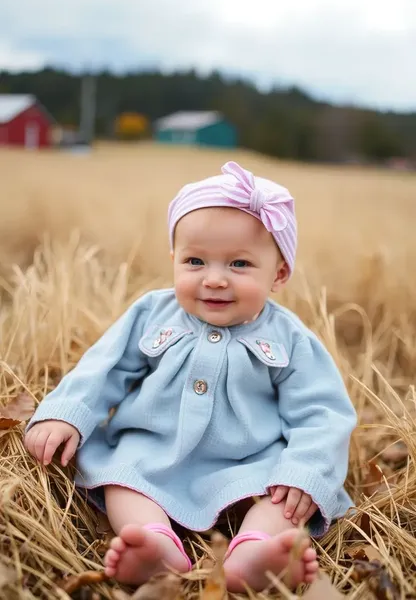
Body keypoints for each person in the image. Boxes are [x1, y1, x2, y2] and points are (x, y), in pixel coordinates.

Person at [24, 161, 357, 593]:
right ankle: (154, 546)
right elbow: (102, 367)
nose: (214, 279)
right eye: (195, 261)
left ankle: (254, 552)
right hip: (152, 451)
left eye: (239, 264)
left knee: (283, 501)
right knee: (122, 478)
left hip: (249, 464)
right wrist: (66, 413)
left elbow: (322, 411)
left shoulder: (289, 337)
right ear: (174, 260)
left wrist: (305, 472)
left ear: (278, 274)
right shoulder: (151, 313)